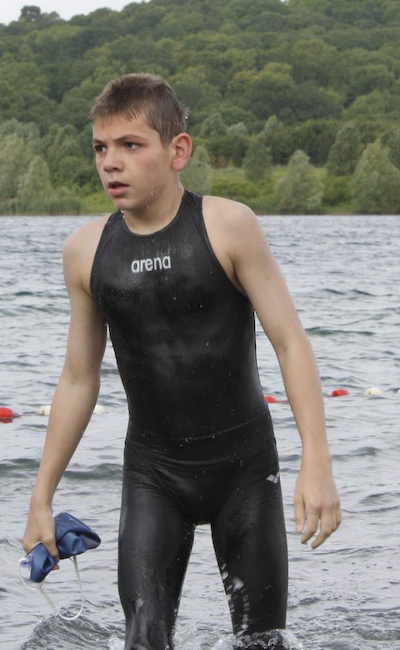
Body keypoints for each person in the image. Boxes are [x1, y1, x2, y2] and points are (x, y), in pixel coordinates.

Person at [23, 73, 341, 650]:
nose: (110, 162)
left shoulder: (228, 226)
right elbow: (78, 378)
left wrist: (316, 460)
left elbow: (291, 341)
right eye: (100, 147)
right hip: (154, 475)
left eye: (130, 145)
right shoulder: (85, 252)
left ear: (178, 151)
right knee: (143, 639)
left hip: (244, 470)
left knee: (262, 643)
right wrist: (41, 496)